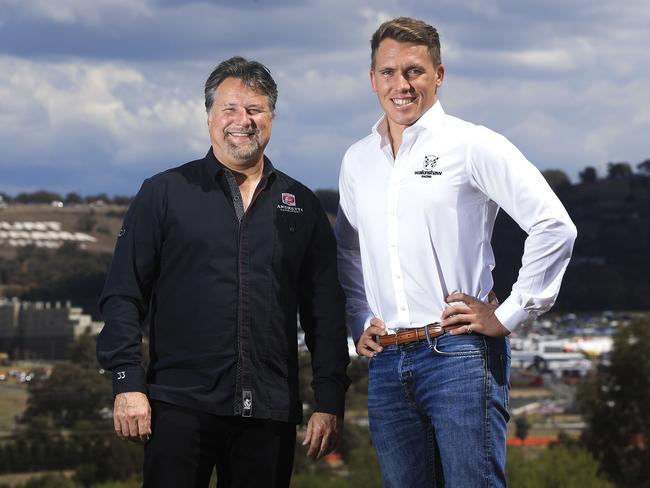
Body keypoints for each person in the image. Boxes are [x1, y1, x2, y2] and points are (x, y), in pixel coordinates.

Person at [335, 17, 577, 487]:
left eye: (414, 71)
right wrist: (359, 317)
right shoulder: (357, 160)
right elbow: (347, 250)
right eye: (388, 72)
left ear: (439, 75)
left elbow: (554, 225)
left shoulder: (472, 144)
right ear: (372, 80)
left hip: (460, 356)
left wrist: (508, 314)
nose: (400, 84)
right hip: (386, 362)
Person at [97, 56, 350, 488]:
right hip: (177, 407)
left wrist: (329, 400)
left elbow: (325, 313)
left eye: (255, 110)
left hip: (269, 413)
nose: (242, 121)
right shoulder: (164, 193)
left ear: (271, 117)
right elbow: (124, 295)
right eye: (230, 109)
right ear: (210, 117)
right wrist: (127, 381)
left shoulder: (302, 205)